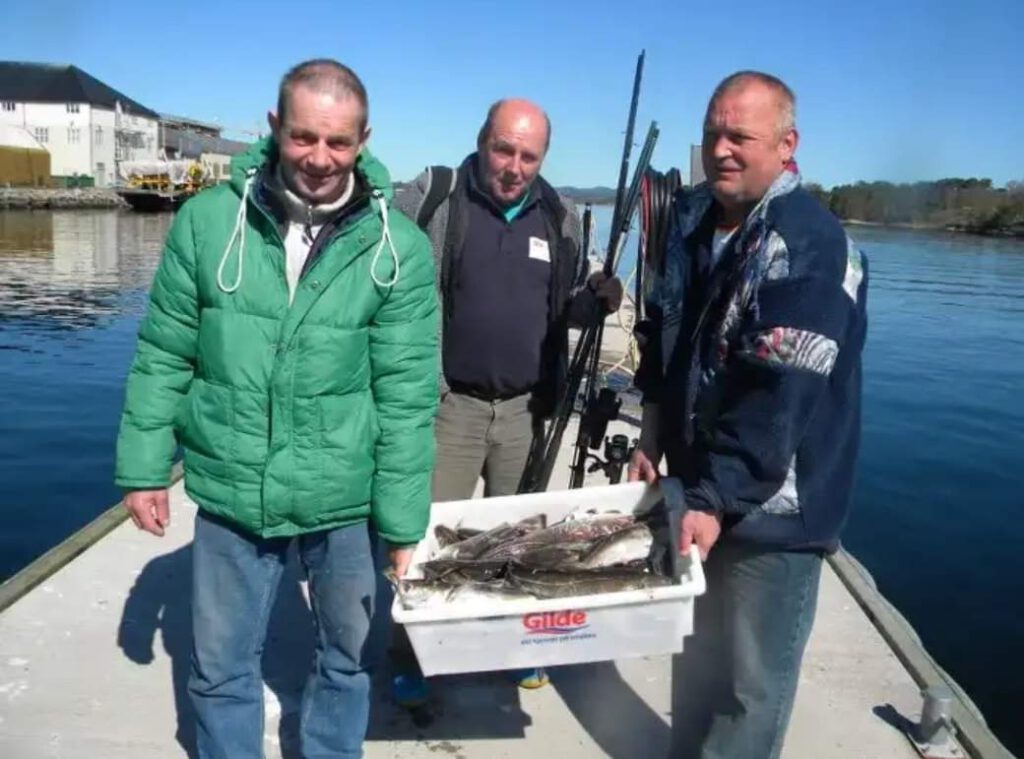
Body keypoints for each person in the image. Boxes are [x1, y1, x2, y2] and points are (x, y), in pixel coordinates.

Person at [115, 59, 438, 759]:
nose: (320, 158)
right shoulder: (206, 224)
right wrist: (143, 467)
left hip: (344, 493)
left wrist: (403, 522)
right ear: (273, 126)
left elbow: (406, 394)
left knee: (348, 659)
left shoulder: (399, 250)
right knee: (220, 667)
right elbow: (164, 353)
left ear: (363, 140)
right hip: (233, 485)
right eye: (303, 137)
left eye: (338, 142)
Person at [629, 71, 868, 759]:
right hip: (700, 490)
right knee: (696, 668)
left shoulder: (808, 247)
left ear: (787, 145)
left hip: (771, 515)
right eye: (712, 133)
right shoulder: (694, 220)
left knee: (748, 694)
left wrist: (713, 495)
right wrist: (653, 432)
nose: (721, 149)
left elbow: (778, 395)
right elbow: (663, 333)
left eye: (740, 136)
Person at [390, 98, 623, 701]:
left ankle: (516, 645)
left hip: (525, 412)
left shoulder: (559, 217)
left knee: (520, 539)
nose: (514, 166)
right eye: (504, 149)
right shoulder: (438, 198)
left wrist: (596, 299)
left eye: (529, 156)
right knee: (426, 539)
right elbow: (382, 270)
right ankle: (414, 656)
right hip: (450, 408)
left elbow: (564, 307)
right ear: (481, 141)